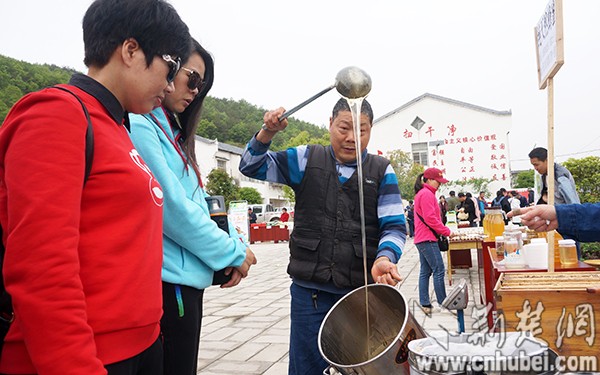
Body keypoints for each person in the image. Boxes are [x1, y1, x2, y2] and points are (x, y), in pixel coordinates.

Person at [0, 0, 191, 373]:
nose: (170, 86)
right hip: (88, 354)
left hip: (142, 345)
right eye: (170, 69)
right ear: (131, 50)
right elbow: (41, 266)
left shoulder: (118, 127)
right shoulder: (57, 114)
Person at [239, 99, 406, 375]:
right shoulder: (307, 159)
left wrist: (386, 256)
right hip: (310, 295)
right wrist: (267, 133)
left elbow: (395, 226)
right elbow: (249, 165)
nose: (352, 138)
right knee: (307, 368)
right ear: (330, 124)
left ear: (371, 130)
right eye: (343, 127)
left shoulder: (380, 170)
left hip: (360, 295)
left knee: (360, 366)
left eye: (361, 130)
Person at [127, 39, 257, 375]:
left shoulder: (169, 129)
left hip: (184, 283)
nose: (195, 91)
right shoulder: (140, 124)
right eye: (192, 78)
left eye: (202, 85)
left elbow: (195, 206)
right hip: (168, 284)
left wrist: (233, 247)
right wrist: (232, 254)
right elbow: (173, 210)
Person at [413, 168, 453, 315]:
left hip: (422, 238)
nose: (439, 184)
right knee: (438, 269)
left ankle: (425, 303)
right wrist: (446, 231)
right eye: (438, 181)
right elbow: (431, 218)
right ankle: (444, 303)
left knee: (425, 271)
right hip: (427, 238)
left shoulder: (422, 194)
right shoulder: (427, 194)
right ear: (429, 180)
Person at [529, 147, 582, 258]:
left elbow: (573, 202)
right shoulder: (545, 175)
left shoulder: (560, 176)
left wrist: (575, 219)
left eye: (537, 164)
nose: (535, 168)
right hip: (557, 219)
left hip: (568, 220)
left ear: (547, 160)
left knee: (571, 254)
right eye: (533, 165)